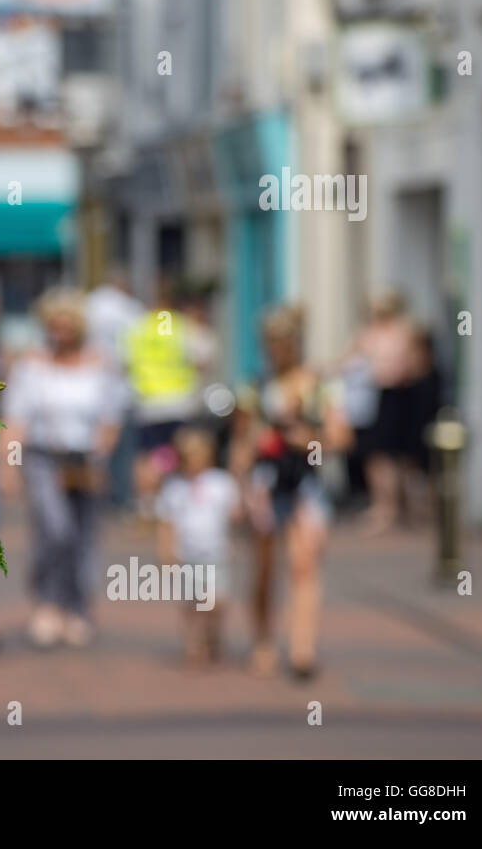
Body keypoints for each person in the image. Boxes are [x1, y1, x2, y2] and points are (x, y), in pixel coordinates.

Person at [232, 305, 351, 680]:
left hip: (306, 482)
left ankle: (303, 647)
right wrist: (241, 489)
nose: (277, 350)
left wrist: (309, 441)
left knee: (305, 563)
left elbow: (341, 437)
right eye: (271, 344)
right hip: (266, 483)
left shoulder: (319, 386)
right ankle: (263, 640)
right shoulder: (256, 386)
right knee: (265, 569)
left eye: (283, 343)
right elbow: (241, 443)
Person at [0, 288, 121, 649]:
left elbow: (111, 417)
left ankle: (77, 607)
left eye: (67, 324)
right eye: (55, 325)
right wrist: (8, 465)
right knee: (55, 529)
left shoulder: (100, 363)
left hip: (85, 458)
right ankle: (47, 602)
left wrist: (101, 453)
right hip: (43, 457)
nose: (61, 332)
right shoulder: (32, 364)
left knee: (84, 536)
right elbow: (15, 418)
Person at [155, 426, 240, 666]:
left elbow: (233, 515)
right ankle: (193, 645)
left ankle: (213, 636)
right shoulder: (174, 487)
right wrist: (166, 553)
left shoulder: (222, 483)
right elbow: (166, 522)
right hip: (187, 555)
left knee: (215, 601)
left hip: (216, 553)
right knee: (190, 603)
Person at [123, 280, 204, 528]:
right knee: (177, 453)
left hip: (148, 402)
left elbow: (125, 362)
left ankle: (147, 504)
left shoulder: (138, 328)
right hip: (179, 401)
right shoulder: (181, 326)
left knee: (146, 455)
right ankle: (177, 500)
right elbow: (202, 357)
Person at [354, 291, 433, 535]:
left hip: (402, 398)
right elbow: (351, 358)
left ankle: (408, 509)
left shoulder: (406, 331)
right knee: (378, 454)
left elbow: (419, 364)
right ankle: (385, 507)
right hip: (380, 397)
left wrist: (401, 372)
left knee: (404, 456)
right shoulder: (370, 333)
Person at [86, 267, 143, 510]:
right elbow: (138, 351)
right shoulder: (132, 310)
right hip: (121, 388)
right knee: (122, 448)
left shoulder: (90, 305)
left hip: (91, 385)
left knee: (94, 444)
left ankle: (94, 493)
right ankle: (120, 496)